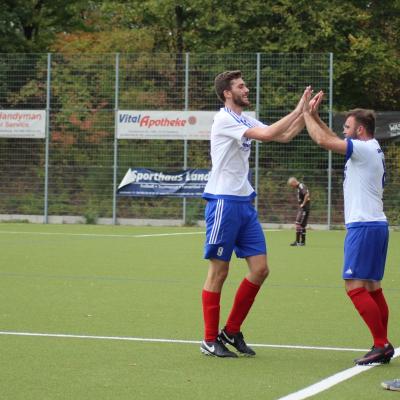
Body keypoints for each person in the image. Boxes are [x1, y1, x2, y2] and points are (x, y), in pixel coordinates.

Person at [200, 70, 313, 357]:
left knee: (260, 270)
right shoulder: (224, 118)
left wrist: (307, 114)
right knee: (219, 271)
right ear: (227, 93)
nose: (246, 89)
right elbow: (268, 133)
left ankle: (232, 330)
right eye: (241, 86)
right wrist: (298, 109)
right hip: (223, 202)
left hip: (244, 204)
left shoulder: (243, 118)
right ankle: (209, 339)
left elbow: (284, 135)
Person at [302, 91, 394, 365]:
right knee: (372, 287)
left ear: (360, 130)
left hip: (364, 227)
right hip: (376, 225)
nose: (344, 132)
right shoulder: (370, 148)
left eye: (348, 127)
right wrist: (316, 116)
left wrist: (306, 114)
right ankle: (383, 344)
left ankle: (381, 343)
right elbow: (334, 139)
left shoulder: (364, 149)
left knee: (353, 287)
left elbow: (322, 140)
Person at [287, 177, 310, 246]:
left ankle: (301, 242)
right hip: (302, 209)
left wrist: (303, 203)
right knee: (299, 224)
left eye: (291, 185)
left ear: (294, 182)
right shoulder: (298, 187)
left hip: (304, 208)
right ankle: (298, 242)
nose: (292, 187)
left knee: (300, 224)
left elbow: (307, 194)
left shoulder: (301, 186)